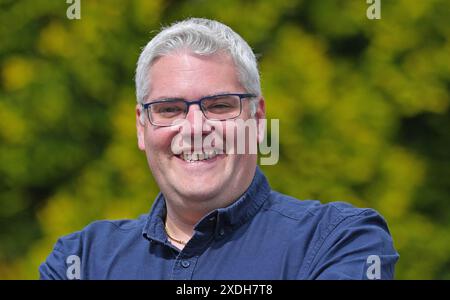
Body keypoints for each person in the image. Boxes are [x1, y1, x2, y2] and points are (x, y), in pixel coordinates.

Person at [39, 18, 399, 280]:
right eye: (169, 109)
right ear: (141, 126)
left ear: (257, 118)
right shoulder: (80, 259)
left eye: (220, 106)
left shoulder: (340, 241)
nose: (195, 128)